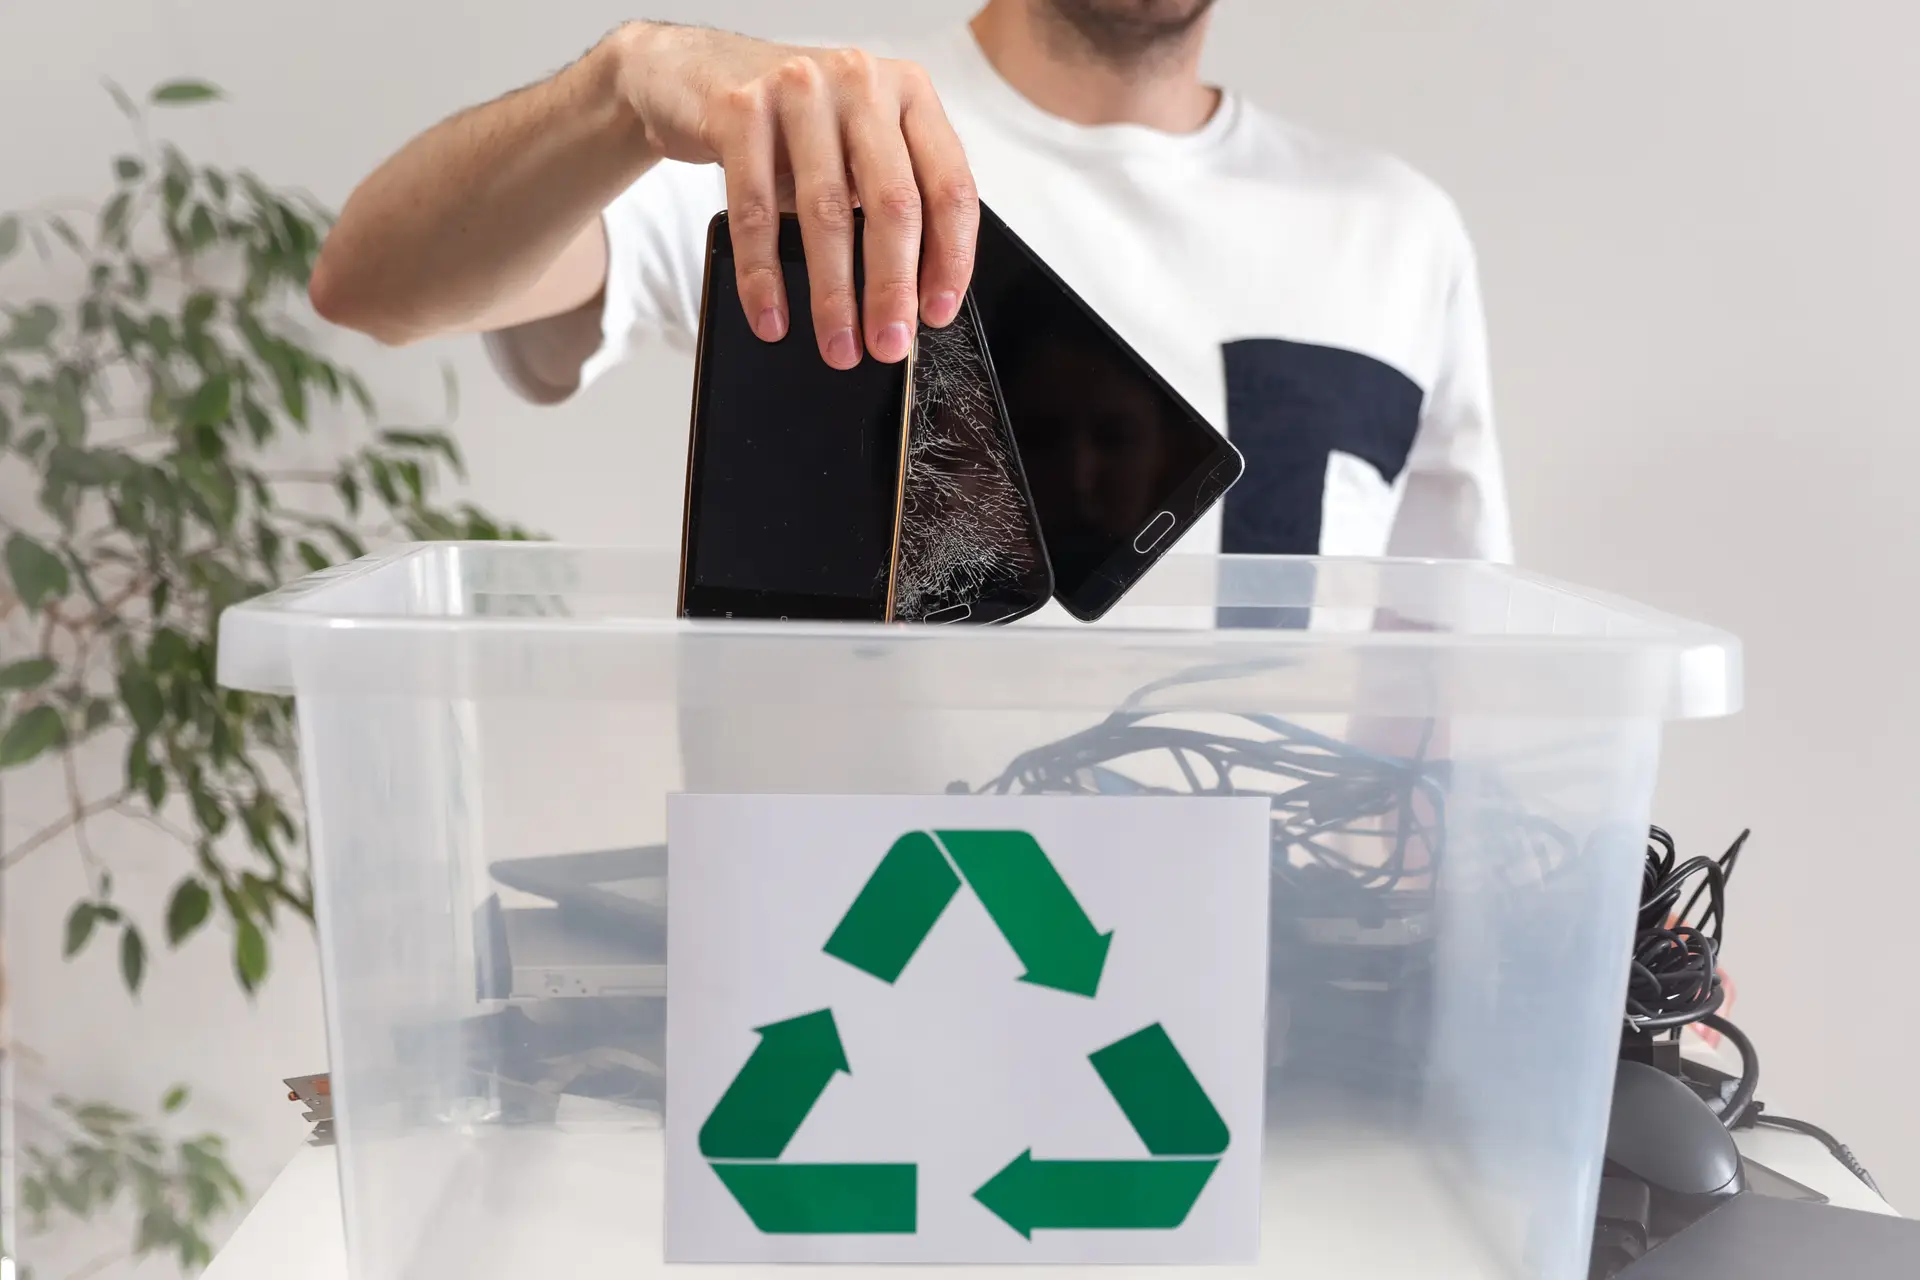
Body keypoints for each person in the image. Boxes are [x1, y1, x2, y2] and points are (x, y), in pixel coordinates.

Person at [311, 0, 1512, 564]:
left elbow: (1459, 697)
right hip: (855, 972)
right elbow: (379, 285)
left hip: (1261, 1002)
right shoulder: (806, 134)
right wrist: (622, 84)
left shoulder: (1396, 232)